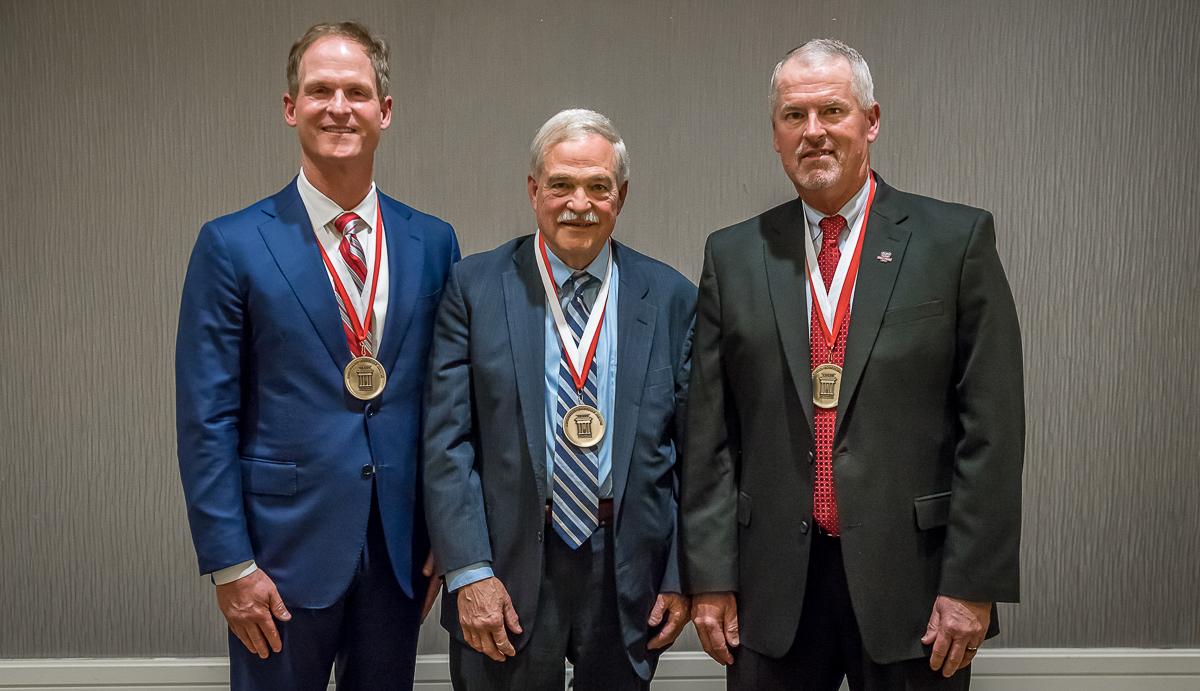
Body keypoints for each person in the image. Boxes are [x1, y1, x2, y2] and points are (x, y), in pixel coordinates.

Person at [681, 39, 1024, 691]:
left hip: (915, 588)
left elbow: (994, 429)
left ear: (871, 120)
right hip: (769, 590)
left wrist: (972, 583)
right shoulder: (732, 255)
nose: (813, 132)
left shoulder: (955, 242)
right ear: (776, 135)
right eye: (793, 116)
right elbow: (708, 433)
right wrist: (710, 576)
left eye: (832, 111)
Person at [175, 21, 458, 691]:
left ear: (384, 111)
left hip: (398, 551)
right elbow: (205, 417)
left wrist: (450, 534)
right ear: (290, 106)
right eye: (320, 90)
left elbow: (451, 403)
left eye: (357, 92)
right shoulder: (232, 244)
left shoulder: (434, 242)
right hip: (278, 556)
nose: (339, 107)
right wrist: (230, 564)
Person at [423, 109, 695, 691]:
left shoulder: (672, 297)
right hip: (506, 564)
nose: (580, 202)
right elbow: (446, 443)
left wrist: (680, 573)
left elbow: (697, 452)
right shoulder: (473, 288)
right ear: (533, 191)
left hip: (626, 569)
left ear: (620, 195)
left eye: (598, 186)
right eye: (561, 185)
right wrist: (468, 571)